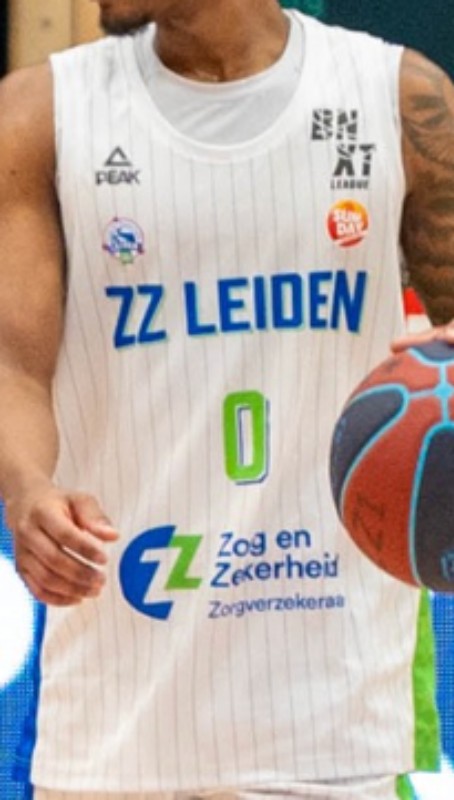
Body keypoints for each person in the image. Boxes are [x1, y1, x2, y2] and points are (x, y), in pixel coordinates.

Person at [0, 1, 453, 798]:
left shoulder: (400, 98)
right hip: (114, 725)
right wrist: (28, 485)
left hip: (333, 719)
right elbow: (14, 364)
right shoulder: (38, 115)